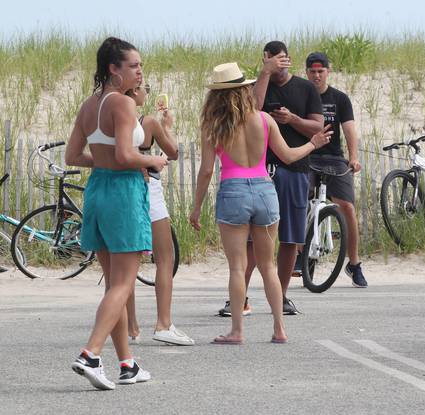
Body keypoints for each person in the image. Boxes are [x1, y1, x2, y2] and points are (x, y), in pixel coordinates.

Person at [189, 62, 331, 344]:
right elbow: (289, 156)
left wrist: (196, 208)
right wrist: (313, 143)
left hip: (233, 191)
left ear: (217, 95)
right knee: (268, 266)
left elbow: (206, 171)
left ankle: (237, 331)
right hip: (265, 190)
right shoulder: (264, 119)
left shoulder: (214, 126)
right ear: (244, 90)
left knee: (236, 267)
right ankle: (279, 329)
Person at [65, 37, 168, 390]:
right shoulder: (122, 105)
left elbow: (74, 156)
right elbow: (126, 155)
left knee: (115, 286)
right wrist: (152, 160)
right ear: (114, 69)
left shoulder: (88, 104)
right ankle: (91, 354)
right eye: (134, 66)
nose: (140, 72)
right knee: (123, 284)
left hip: (99, 190)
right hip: (123, 192)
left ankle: (128, 364)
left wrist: (109, 161)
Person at [217, 40, 324, 317]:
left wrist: (292, 120)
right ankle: (239, 299)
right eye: (274, 59)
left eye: (283, 59)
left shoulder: (305, 88)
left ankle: (282, 296)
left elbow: (317, 126)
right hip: (261, 172)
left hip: (294, 169)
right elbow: (253, 108)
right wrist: (264, 73)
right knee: (252, 241)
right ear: (266, 58)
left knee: (289, 237)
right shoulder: (255, 85)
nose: (280, 63)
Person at [124, 83, 195, 346]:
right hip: (148, 189)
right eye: (144, 88)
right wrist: (167, 126)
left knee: (127, 260)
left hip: (121, 186)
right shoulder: (149, 122)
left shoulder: (111, 118)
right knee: (165, 257)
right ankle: (163, 323)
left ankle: (131, 326)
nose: (147, 93)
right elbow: (173, 152)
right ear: (134, 92)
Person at [304, 52, 367, 288]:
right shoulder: (301, 94)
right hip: (306, 156)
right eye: (312, 71)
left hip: (333, 158)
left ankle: (354, 263)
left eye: (321, 71)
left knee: (348, 207)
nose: (317, 76)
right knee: (299, 202)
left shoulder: (339, 98)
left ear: (328, 72)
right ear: (306, 72)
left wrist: (353, 158)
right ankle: (303, 254)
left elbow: (349, 128)